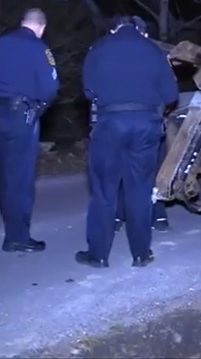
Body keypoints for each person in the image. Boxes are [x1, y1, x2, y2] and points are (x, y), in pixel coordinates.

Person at [77, 15, 179, 268]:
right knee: (140, 190)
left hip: (110, 123)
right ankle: (141, 253)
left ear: (113, 28)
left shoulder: (99, 48)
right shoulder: (154, 51)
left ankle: (98, 255)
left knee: (104, 191)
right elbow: (170, 94)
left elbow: (88, 90)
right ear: (139, 31)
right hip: (146, 125)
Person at [0, 8, 59, 253]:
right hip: (22, 114)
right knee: (22, 177)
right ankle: (17, 237)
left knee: (4, 173)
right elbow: (50, 86)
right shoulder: (40, 48)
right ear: (42, 27)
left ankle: (11, 225)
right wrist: (40, 107)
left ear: (22, 22)